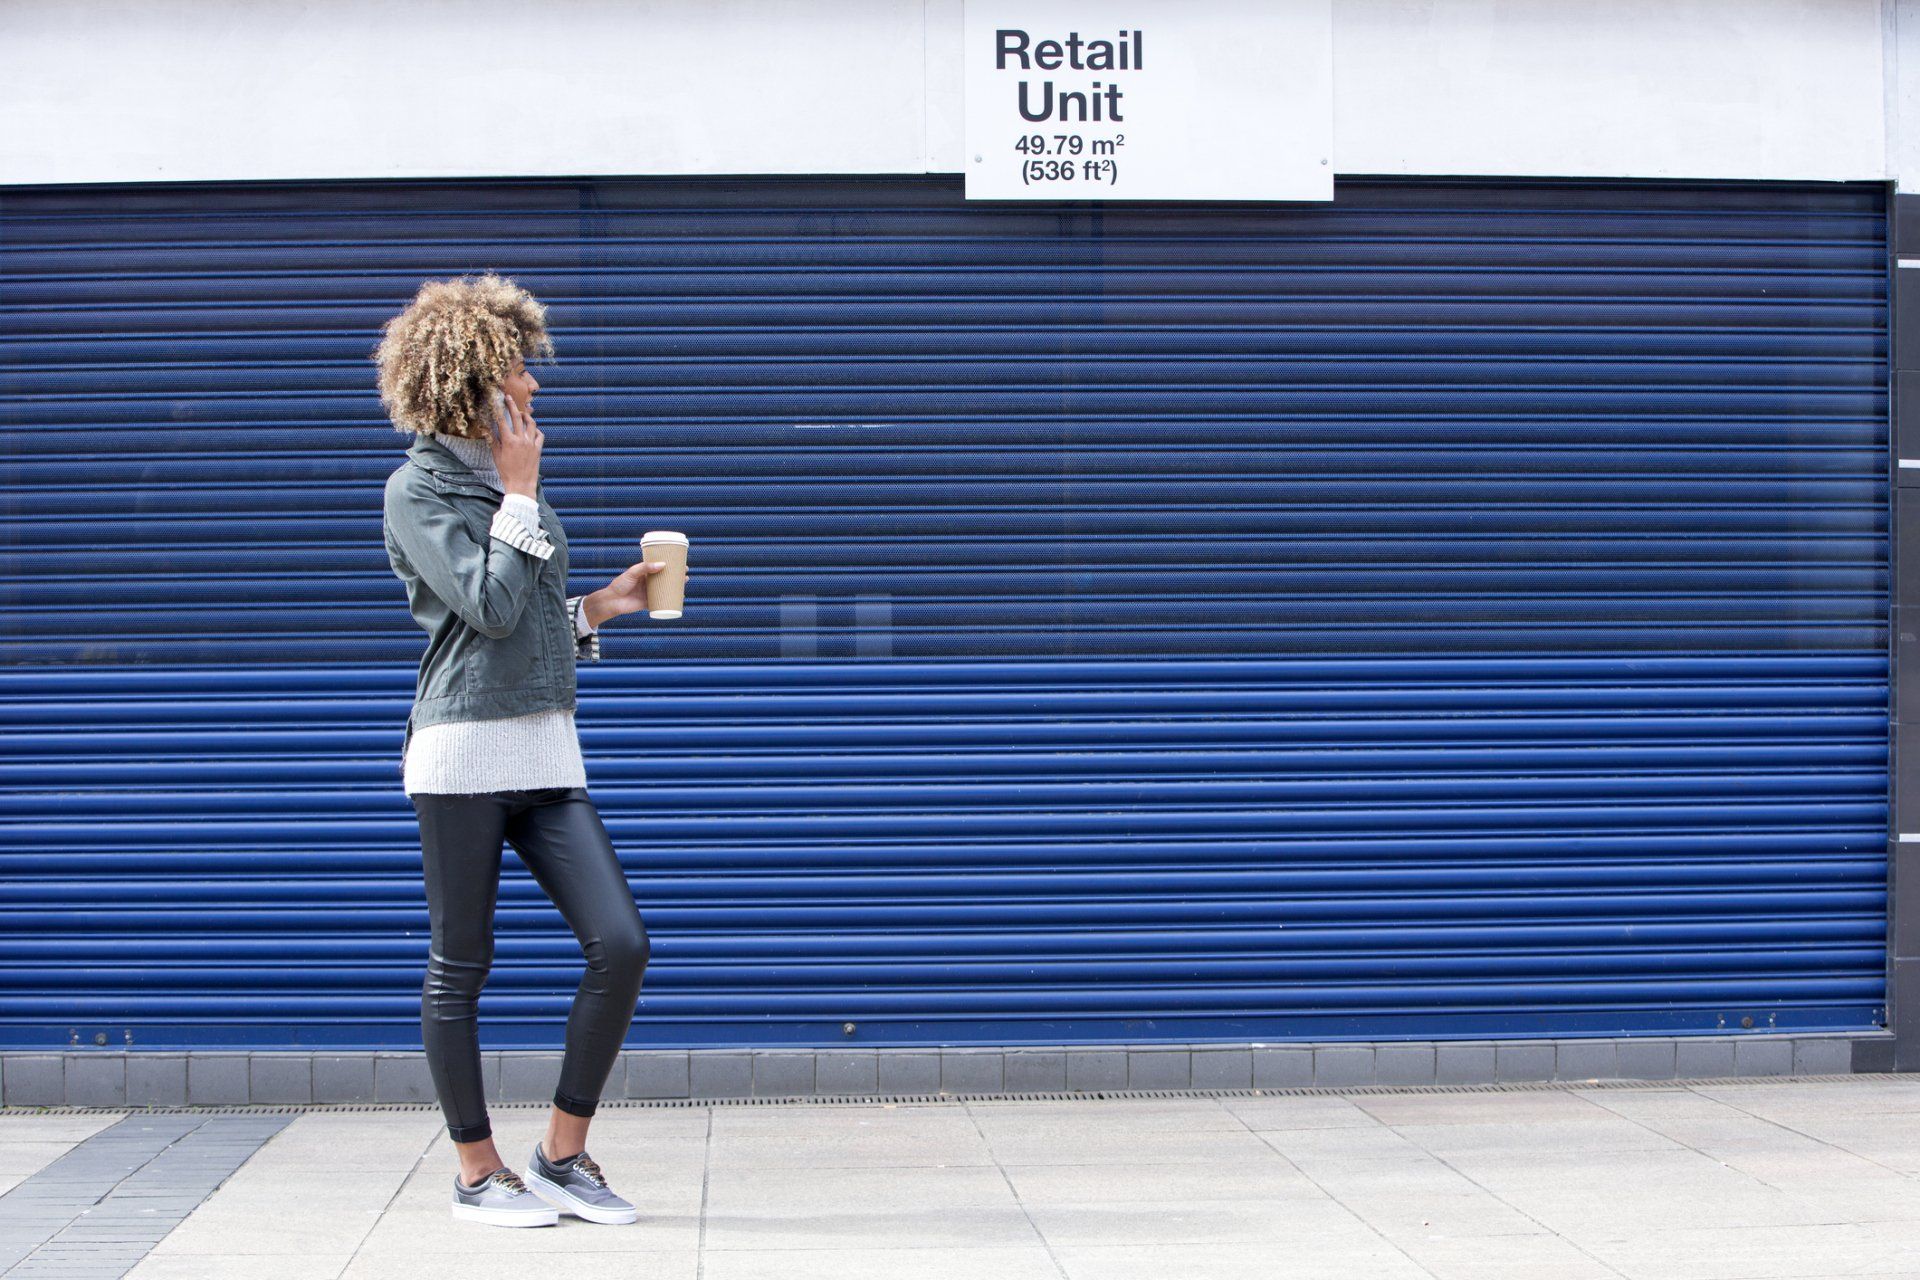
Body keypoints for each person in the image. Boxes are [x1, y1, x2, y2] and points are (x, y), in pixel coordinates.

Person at [372, 272, 691, 1228]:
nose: (534, 383)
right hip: (462, 754)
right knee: (461, 965)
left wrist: (598, 608)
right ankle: (477, 1172)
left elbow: (523, 622)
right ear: (471, 382)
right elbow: (488, 606)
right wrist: (517, 491)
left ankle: (561, 1156)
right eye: (517, 367)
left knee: (621, 944)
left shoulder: (513, 484)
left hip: (546, 753)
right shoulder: (417, 490)